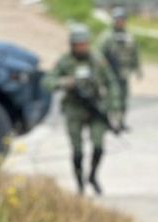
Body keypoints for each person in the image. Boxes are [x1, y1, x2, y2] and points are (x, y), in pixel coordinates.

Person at [44, 23, 121, 196]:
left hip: (96, 109)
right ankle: (80, 184)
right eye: (78, 44)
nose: (81, 47)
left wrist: (113, 108)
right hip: (74, 109)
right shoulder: (65, 62)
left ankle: (92, 176)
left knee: (98, 146)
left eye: (84, 44)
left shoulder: (97, 60)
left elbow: (112, 84)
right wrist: (65, 82)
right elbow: (47, 82)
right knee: (77, 151)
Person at [94, 7, 142, 127]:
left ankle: (121, 121)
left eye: (122, 19)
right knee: (111, 97)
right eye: (117, 20)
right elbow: (97, 54)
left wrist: (137, 69)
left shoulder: (129, 37)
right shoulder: (107, 37)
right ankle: (109, 121)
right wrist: (102, 69)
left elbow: (134, 53)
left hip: (124, 73)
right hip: (110, 73)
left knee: (123, 98)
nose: (120, 22)